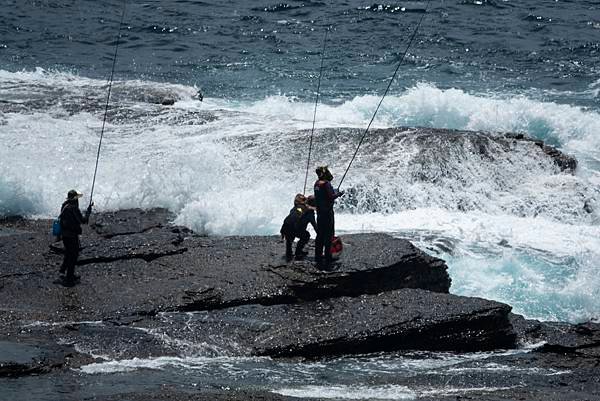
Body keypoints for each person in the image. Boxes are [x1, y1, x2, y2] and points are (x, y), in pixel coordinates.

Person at [59, 189, 92, 287]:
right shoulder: (73, 208)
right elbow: (83, 221)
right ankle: (69, 277)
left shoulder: (64, 205)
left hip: (64, 235)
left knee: (68, 253)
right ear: (75, 199)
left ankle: (63, 269)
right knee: (73, 256)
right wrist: (88, 212)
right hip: (71, 236)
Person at [313, 166, 344, 267]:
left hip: (320, 213)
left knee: (320, 235)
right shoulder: (326, 184)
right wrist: (339, 194)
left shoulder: (316, 184)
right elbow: (331, 196)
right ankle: (328, 256)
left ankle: (317, 256)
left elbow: (322, 196)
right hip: (328, 213)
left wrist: (332, 192)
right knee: (329, 234)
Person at [280, 194, 317, 261]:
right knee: (306, 235)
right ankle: (298, 252)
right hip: (293, 229)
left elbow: (294, 216)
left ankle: (288, 253)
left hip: (285, 227)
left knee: (290, 236)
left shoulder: (297, 207)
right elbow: (315, 227)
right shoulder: (310, 212)